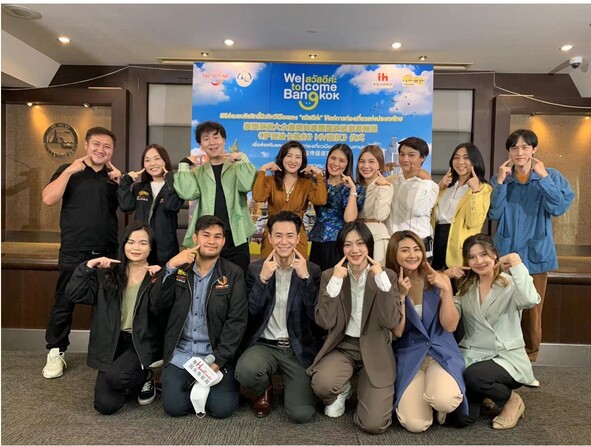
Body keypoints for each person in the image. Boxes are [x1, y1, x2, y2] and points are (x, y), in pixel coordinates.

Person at [41, 126, 121, 379]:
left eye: (107, 146)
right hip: (74, 249)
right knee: (64, 302)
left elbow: (129, 207)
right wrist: (68, 171)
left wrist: (122, 182)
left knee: (106, 305)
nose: (101, 150)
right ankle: (56, 350)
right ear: (86, 145)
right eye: (96, 144)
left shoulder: (113, 177)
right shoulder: (69, 170)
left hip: (107, 249)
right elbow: (48, 199)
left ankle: (104, 354)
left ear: (112, 151)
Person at [308, 221, 402, 434]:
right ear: (341, 248)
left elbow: (391, 321)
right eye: (347, 244)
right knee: (322, 384)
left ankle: (367, 395)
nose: (355, 250)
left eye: (360, 243)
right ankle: (343, 389)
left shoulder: (387, 275)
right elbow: (324, 322)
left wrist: (382, 282)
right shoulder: (330, 275)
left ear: (369, 246)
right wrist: (334, 283)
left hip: (376, 347)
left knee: (374, 424)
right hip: (343, 346)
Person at [149, 215, 248, 418]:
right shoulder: (180, 269)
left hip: (216, 355)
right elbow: (157, 304)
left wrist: (218, 361)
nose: (212, 241)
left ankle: (211, 388)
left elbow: (237, 322)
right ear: (195, 238)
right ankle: (191, 385)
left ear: (223, 241)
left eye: (217, 237)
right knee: (174, 408)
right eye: (206, 235)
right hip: (182, 355)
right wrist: (170, 266)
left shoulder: (233, 273)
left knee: (221, 410)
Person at [489, 129, 574, 362]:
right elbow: (493, 213)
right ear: (509, 152)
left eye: (525, 147)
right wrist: (500, 182)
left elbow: (559, 208)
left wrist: (543, 177)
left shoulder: (551, 176)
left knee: (532, 309)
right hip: (506, 252)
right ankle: (502, 355)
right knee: (502, 306)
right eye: (514, 147)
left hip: (536, 252)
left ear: (534, 149)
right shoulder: (502, 178)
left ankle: (530, 358)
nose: (520, 152)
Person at [65, 222, 163, 414]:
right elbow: (74, 294)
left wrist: (163, 279)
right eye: (131, 242)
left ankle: (144, 375)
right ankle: (135, 376)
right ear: (123, 244)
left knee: (117, 377)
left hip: (140, 341)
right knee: (105, 406)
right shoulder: (108, 274)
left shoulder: (156, 275)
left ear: (151, 247)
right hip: (113, 341)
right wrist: (88, 266)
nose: (136, 247)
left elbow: (164, 309)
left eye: (143, 243)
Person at [235, 211, 323, 423]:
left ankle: (292, 386)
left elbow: (316, 317)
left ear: (298, 237)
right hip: (264, 345)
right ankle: (264, 388)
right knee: (246, 371)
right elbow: (249, 313)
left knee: (301, 414)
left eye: (290, 235)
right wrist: (262, 280)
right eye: (278, 235)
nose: (284, 242)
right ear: (270, 237)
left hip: (296, 348)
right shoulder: (256, 269)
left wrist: (306, 279)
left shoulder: (312, 270)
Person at [454, 234, 541, 429]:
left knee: (475, 376)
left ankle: (511, 400)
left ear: (495, 254)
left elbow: (530, 299)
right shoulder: (466, 288)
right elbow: (451, 317)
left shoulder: (510, 283)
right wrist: (445, 279)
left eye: (484, 254)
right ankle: (485, 394)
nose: (479, 261)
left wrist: (516, 262)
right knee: (462, 419)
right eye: (472, 257)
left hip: (504, 357)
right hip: (473, 356)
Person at [385, 230, 467, 433]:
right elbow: (397, 332)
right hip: (411, 354)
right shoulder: (389, 283)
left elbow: (450, 326)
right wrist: (401, 297)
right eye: (405, 250)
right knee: (415, 424)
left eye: (417, 249)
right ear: (394, 254)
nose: (412, 255)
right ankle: (428, 399)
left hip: (440, 352)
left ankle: (436, 401)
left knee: (444, 400)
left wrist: (446, 290)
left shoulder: (438, 278)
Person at [174, 121, 256, 274]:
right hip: (208, 239)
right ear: (201, 145)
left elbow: (247, 185)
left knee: (239, 280)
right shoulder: (197, 172)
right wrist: (184, 164)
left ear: (224, 140)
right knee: (206, 279)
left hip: (236, 236)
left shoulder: (237, 167)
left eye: (216, 137)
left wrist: (242, 158)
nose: (212, 142)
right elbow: (187, 193)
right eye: (206, 139)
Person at [253, 140, 327, 259]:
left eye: (298, 157)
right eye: (289, 156)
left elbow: (320, 200)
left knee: (298, 269)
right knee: (269, 268)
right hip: (273, 234)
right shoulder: (271, 181)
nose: (293, 160)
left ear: (302, 161)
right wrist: (262, 170)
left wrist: (318, 174)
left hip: (297, 235)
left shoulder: (307, 184)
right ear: (282, 158)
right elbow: (258, 197)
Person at [118, 144, 184, 266]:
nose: (152, 164)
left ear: (165, 161)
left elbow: (171, 205)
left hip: (165, 250)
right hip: (140, 248)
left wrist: (170, 179)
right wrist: (125, 181)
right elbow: (126, 206)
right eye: (147, 160)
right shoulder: (139, 187)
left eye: (157, 158)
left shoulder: (176, 187)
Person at [432, 143, 492, 272]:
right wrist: (438, 188)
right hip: (436, 241)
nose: (460, 162)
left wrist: (475, 191)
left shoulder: (483, 188)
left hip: (459, 247)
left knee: (457, 283)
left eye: (466, 157)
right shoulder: (447, 185)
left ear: (475, 160)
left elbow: (474, 222)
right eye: (456, 157)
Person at [309, 143, 365, 271]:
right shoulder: (318, 183)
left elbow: (349, 219)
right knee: (316, 279)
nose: (336, 163)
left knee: (336, 279)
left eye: (341, 160)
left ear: (348, 164)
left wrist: (352, 190)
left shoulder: (354, 188)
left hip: (339, 243)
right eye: (333, 158)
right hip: (317, 241)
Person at [384, 137, 439, 260]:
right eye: (402, 154)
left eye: (411, 155)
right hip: (393, 246)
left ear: (423, 157)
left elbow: (419, 210)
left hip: (418, 246)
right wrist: (382, 171)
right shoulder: (392, 181)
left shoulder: (430, 186)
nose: (405, 159)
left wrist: (426, 179)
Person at [355, 145, 393, 266]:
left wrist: (382, 187)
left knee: (376, 273)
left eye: (371, 162)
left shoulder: (386, 186)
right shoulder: (357, 187)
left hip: (376, 237)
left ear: (379, 165)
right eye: (362, 161)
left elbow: (380, 215)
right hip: (356, 236)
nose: (366, 166)